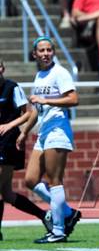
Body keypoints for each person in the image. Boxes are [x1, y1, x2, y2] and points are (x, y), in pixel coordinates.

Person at [18, 37, 82, 244]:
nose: (45, 53)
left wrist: (46, 99)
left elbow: (73, 99)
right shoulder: (40, 75)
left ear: (53, 52)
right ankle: (67, 212)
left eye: (49, 50)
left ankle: (58, 230)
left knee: (55, 180)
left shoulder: (60, 73)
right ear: (34, 54)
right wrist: (24, 131)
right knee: (30, 179)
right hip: (44, 133)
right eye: (41, 50)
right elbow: (37, 109)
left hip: (58, 131)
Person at [0, 59, 53, 241]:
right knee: (6, 193)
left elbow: (28, 114)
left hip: (8, 142)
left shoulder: (12, 87)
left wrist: (8, 125)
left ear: (2, 68)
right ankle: (44, 215)